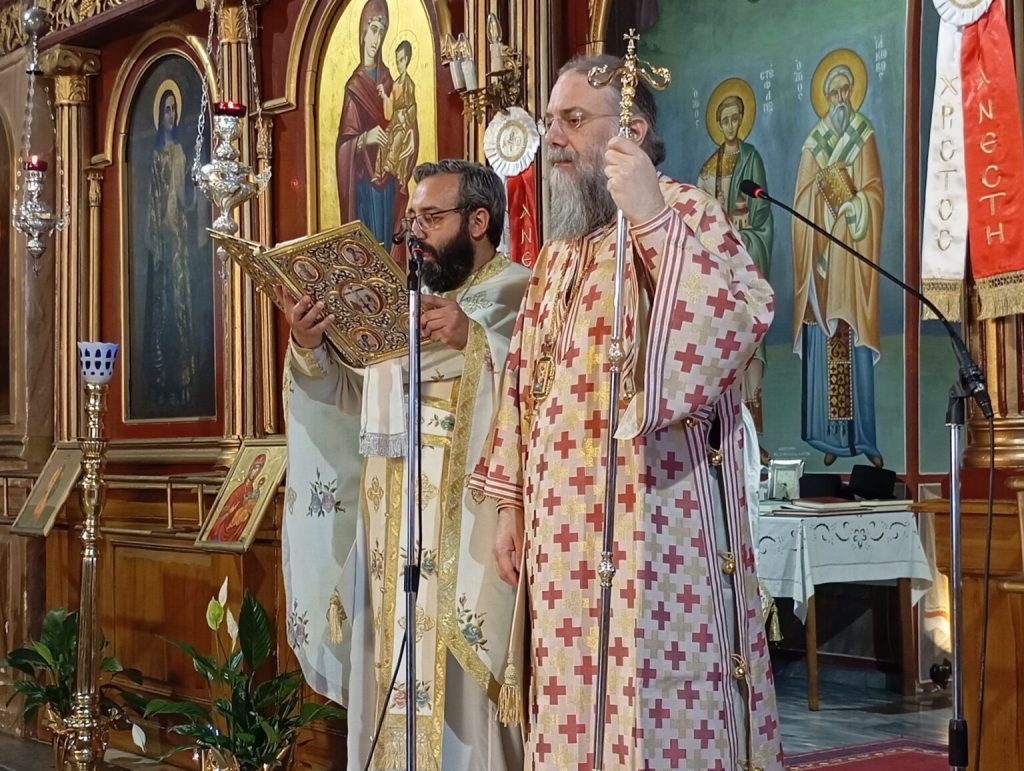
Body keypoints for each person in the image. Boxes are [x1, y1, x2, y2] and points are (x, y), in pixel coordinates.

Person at [470, 55, 784, 770]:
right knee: (572, 711)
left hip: (658, 529)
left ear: (632, 132)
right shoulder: (558, 255)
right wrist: (512, 505)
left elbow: (734, 325)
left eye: (573, 120)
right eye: (551, 121)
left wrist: (650, 219)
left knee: (653, 711)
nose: (553, 137)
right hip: (561, 548)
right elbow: (521, 384)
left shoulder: (687, 214)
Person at [280, 159, 529, 770]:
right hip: (392, 539)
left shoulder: (521, 293)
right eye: (411, 219)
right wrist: (310, 347)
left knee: (466, 716)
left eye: (431, 218)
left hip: (469, 541)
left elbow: (549, 391)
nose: (415, 233)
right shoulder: (403, 307)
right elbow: (353, 401)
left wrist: (477, 341)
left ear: (478, 221)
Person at [792, 57, 884, 467]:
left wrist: (857, 205)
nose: (841, 98)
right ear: (825, 98)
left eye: (846, 90)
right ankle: (829, 439)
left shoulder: (864, 134)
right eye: (834, 93)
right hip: (822, 259)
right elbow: (800, 201)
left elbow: (875, 191)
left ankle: (862, 438)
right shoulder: (814, 143)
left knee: (852, 339)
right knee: (825, 340)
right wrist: (821, 202)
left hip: (851, 255)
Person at [697, 86, 773, 431]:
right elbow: (698, 220)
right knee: (720, 349)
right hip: (719, 270)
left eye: (735, 119)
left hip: (746, 261)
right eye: (724, 120)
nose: (730, 126)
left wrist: (743, 237)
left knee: (751, 347)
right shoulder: (708, 168)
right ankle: (725, 436)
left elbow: (762, 215)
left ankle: (753, 432)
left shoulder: (751, 159)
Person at [145, 86, 199, 413]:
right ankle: (160, 380)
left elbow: (183, 200)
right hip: (161, 245)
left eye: (174, 109)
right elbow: (151, 201)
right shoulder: (154, 156)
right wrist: (156, 239)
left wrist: (194, 193)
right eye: (166, 109)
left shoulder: (179, 152)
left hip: (177, 241)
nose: (171, 115)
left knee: (179, 307)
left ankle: (181, 381)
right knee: (160, 311)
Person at [335, 0, 402, 246]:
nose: (376, 39)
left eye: (381, 33)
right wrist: (364, 139)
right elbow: (343, 145)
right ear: (363, 32)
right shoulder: (354, 86)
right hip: (365, 182)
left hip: (387, 180)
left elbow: (400, 120)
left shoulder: (387, 79)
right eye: (373, 30)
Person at [376, 39, 419, 193]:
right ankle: (379, 172)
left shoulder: (409, 84)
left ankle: (390, 165)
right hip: (394, 121)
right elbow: (390, 108)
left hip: (405, 125)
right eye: (397, 61)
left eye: (401, 60)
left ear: (407, 60)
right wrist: (384, 95)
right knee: (383, 139)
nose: (399, 64)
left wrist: (405, 116)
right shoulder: (395, 84)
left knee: (398, 138)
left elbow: (412, 108)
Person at [207, 453, 267, 542]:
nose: (256, 472)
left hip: (238, 524)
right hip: (227, 523)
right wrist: (231, 512)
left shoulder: (251, 488)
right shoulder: (240, 489)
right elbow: (227, 508)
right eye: (255, 468)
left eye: (259, 469)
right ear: (250, 468)